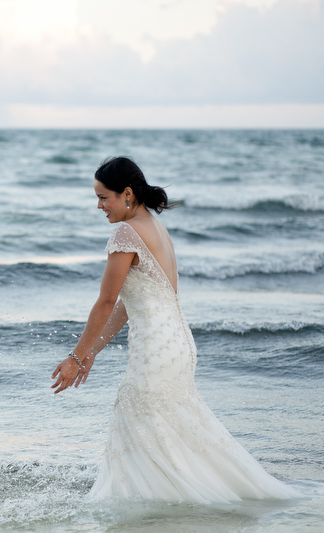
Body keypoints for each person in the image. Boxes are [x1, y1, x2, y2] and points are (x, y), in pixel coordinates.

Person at [51, 156, 302, 503]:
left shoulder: (125, 233)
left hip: (157, 347)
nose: (98, 205)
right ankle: (182, 501)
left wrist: (75, 357)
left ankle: (167, 506)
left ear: (126, 193)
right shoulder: (153, 226)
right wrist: (92, 351)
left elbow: (107, 301)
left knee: (142, 416)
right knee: (169, 426)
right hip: (177, 344)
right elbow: (128, 304)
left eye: (103, 197)